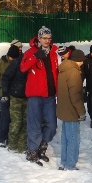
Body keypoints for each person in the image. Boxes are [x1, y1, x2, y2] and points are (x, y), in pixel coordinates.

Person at [20, 26, 58, 166]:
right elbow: (23, 68)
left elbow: (56, 74)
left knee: (52, 125)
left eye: (49, 38)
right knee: (34, 124)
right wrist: (35, 57)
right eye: (44, 38)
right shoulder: (31, 52)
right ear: (39, 38)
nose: (47, 41)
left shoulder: (54, 52)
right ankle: (32, 151)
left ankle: (42, 146)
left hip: (50, 95)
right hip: (35, 95)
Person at [57, 49, 86, 170]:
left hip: (63, 108)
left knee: (65, 137)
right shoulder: (74, 72)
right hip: (72, 110)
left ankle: (64, 161)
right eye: (82, 61)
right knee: (73, 138)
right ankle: (70, 164)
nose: (83, 63)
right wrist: (82, 112)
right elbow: (76, 96)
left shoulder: (63, 69)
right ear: (78, 60)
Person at [0, 45, 20, 147]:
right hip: (2, 93)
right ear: (8, 55)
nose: (12, 60)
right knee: (5, 114)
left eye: (14, 58)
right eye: (11, 58)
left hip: (14, 93)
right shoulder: (0, 63)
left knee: (9, 115)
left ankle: (7, 134)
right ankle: (2, 136)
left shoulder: (18, 63)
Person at [1, 49, 28, 154]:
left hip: (27, 97)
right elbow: (5, 77)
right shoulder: (17, 62)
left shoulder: (32, 62)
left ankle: (22, 146)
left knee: (25, 122)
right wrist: (5, 93)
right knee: (16, 122)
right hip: (15, 96)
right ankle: (12, 145)